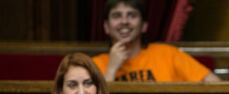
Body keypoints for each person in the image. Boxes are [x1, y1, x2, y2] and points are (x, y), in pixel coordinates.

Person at [92, 0, 220, 82]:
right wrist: (111, 69)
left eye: (132, 15)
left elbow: (215, 86)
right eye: (117, 16)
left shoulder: (168, 54)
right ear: (106, 27)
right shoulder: (94, 65)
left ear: (144, 26)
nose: (124, 21)